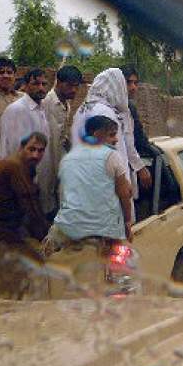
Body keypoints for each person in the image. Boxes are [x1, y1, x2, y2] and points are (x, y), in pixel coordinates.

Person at [43, 116, 132, 255]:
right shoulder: (112, 156)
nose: (116, 139)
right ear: (97, 135)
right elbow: (124, 194)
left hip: (64, 228)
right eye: (112, 135)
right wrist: (127, 222)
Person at [39, 65, 83, 216]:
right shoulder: (45, 103)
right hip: (44, 163)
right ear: (58, 82)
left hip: (58, 162)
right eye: (69, 86)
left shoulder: (67, 105)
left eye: (76, 86)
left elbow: (62, 136)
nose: (74, 90)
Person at [0, 68, 49, 162]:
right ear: (25, 86)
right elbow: (15, 147)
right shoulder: (17, 109)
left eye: (44, 84)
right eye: (36, 84)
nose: (41, 88)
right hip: (18, 171)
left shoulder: (42, 108)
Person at [119, 65, 152, 197]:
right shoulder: (115, 108)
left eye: (135, 83)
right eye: (129, 82)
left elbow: (138, 138)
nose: (133, 87)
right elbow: (131, 142)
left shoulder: (128, 107)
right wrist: (140, 167)